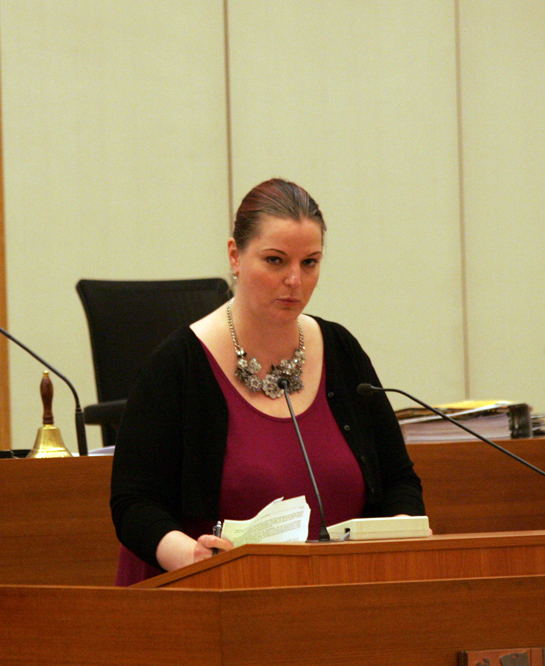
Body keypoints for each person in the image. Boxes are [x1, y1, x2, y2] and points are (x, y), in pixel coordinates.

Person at [110, 178, 425, 585]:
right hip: (210, 597)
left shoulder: (342, 352)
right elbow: (134, 504)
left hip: (341, 592)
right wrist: (194, 558)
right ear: (235, 256)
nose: (295, 280)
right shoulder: (177, 365)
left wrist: (399, 538)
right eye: (276, 261)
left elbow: (399, 481)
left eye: (309, 263)